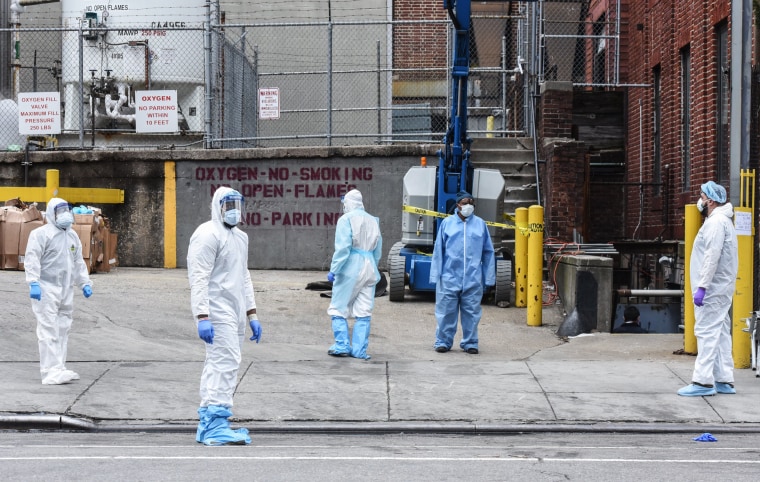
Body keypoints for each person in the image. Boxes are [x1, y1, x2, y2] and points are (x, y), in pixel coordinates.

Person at [187, 186, 262, 445]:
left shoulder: (240, 237)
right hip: (217, 310)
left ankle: (211, 421)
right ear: (218, 206)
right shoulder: (207, 234)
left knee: (223, 364)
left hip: (236, 310)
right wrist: (202, 315)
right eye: (228, 205)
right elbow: (199, 277)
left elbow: (244, 275)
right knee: (224, 364)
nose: (234, 211)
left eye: (237, 205)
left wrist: (252, 314)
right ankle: (215, 425)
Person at [678, 181, 739, 397]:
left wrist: (702, 287)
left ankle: (703, 382)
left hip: (712, 289)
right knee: (721, 332)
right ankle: (724, 379)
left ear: (710, 200)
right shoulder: (723, 221)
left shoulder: (715, 224)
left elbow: (711, 257)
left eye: (702, 196)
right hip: (720, 288)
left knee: (706, 332)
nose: (700, 200)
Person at [24, 198, 93, 385]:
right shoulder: (41, 234)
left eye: (66, 210)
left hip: (66, 289)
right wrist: (33, 282)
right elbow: (32, 259)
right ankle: (49, 372)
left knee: (63, 328)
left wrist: (84, 282)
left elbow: (78, 262)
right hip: (46, 288)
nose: (65, 214)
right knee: (48, 329)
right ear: (52, 214)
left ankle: (59, 367)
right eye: (60, 211)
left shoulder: (72, 236)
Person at [430, 191, 495, 354]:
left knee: (472, 312)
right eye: (465, 202)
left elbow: (488, 252)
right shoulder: (447, 223)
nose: (468, 206)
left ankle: (470, 342)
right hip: (449, 277)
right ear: (458, 205)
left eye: (471, 203)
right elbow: (439, 250)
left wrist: (488, 277)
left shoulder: (480, 224)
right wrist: (436, 275)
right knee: (446, 312)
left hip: (473, 277)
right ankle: (443, 341)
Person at [326, 189, 382, 359]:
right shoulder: (374, 220)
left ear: (348, 203)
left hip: (350, 267)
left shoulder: (346, 219)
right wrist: (373, 267)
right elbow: (378, 251)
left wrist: (334, 269)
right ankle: (359, 350)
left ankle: (342, 345)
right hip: (370, 267)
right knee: (364, 309)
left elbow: (343, 248)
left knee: (338, 306)